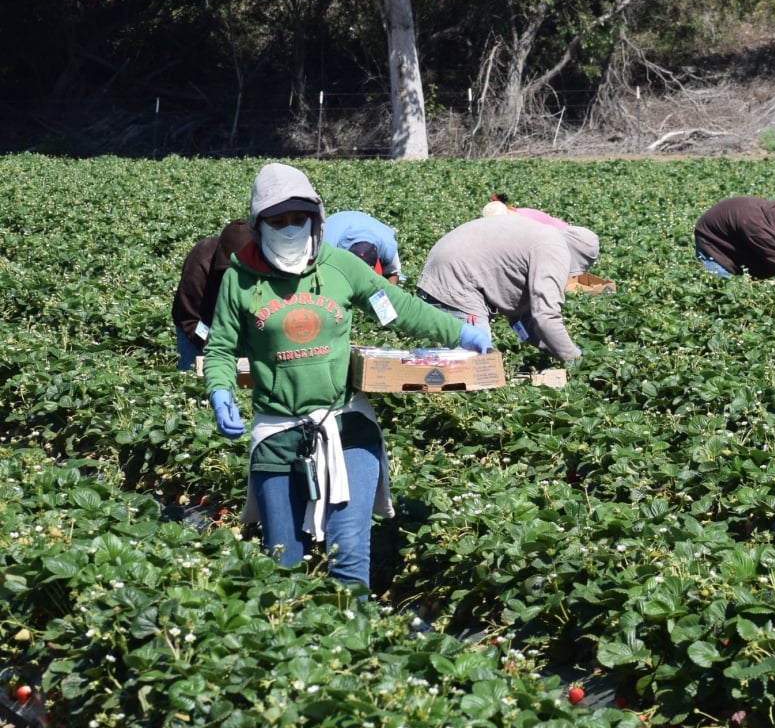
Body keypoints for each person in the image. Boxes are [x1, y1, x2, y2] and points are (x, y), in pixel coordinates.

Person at [203, 162, 492, 590]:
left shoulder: (340, 267)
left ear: (314, 220)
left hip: (345, 423)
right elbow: (222, 348)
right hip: (278, 428)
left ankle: (355, 639)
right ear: (258, 224)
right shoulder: (240, 281)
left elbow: (400, 309)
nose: (288, 229)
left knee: (348, 550)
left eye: (297, 219)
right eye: (277, 221)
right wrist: (220, 390)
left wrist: (460, 332)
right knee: (283, 560)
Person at [416, 213, 599, 363]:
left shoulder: (540, 237)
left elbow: (522, 320)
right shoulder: (553, 249)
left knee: (458, 363)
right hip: (456, 280)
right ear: (580, 260)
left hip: (441, 269)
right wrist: (574, 358)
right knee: (476, 366)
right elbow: (546, 317)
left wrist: (554, 348)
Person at [171, 220, 253, 371]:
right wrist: (216, 350)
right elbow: (190, 320)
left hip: (246, 322)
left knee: (249, 375)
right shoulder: (200, 265)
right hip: (202, 321)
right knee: (195, 373)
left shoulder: (266, 263)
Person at [692, 196, 775, 287]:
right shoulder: (760, 230)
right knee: (726, 290)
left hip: (737, 236)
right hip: (711, 243)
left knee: (763, 271)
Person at [325, 210, 405, 284]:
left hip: (368, 226)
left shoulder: (388, 246)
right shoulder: (327, 247)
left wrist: (389, 295)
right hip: (337, 222)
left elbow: (393, 273)